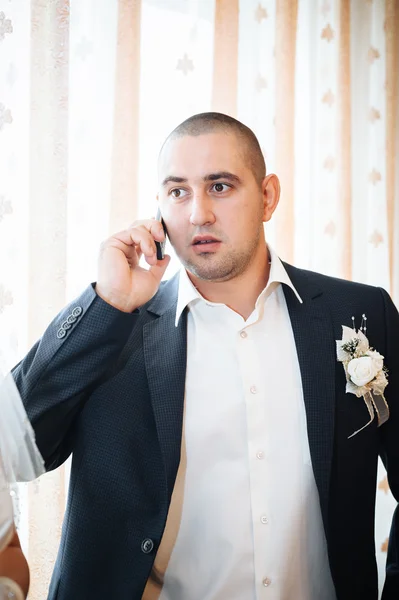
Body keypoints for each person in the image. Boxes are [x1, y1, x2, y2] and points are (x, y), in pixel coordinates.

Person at [12, 112, 399, 600]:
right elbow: (16, 449)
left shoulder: (362, 314)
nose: (198, 214)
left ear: (267, 196)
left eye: (219, 186)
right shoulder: (113, 326)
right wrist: (106, 304)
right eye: (177, 192)